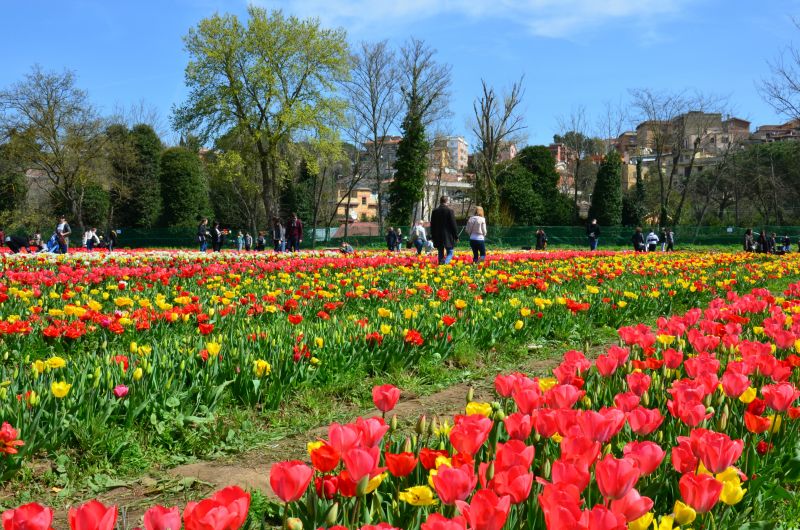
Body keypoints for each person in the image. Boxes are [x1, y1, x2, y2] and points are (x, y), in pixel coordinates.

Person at [430, 196, 458, 265]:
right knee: (450, 252)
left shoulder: (434, 211)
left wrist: (432, 236)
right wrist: (456, 236)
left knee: (440, 251)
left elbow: (432, 225)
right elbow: (453, 225)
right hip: (448, 235)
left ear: (440, 201)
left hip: (437, 235)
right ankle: (445, 264)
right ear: (447, 201)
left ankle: (440, 264)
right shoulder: (449, 211)